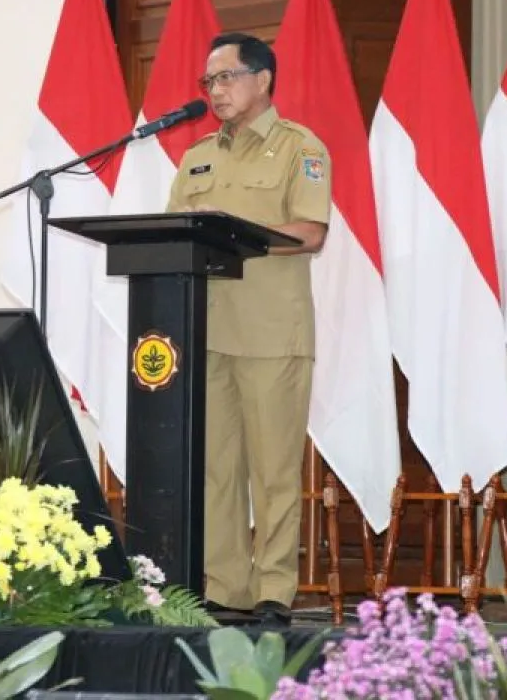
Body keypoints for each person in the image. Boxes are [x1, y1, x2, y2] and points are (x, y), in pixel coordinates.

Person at [165, 32, 332, 627]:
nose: (215, 91)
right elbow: (172, 232)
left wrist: (234, 235)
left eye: (226, 77)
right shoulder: (197, 157)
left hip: (270, 335)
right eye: (209, 81)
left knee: (274, 471)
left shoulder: (299, 148)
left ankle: (274, 591)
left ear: (263, 80)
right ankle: (225, 587)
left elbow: (311, 231)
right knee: (217, 470)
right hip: (208, 331)